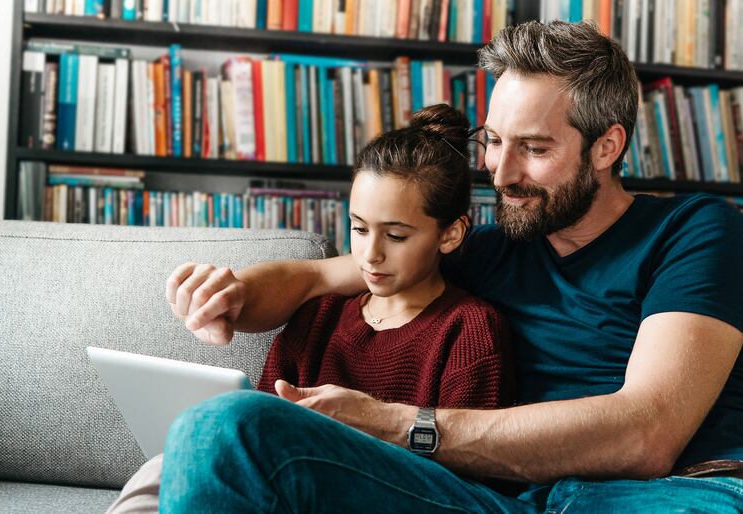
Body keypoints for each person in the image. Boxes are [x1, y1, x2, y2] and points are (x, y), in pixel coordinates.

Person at [157, 20, 743, 513]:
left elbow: (647, 434)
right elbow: (318, 275)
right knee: (224, 430)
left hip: (676, 492)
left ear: (607, 147)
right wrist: (230, 291)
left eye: (534, 149)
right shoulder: (485, 249)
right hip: (511, 501)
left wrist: (394, 423)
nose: (500, 172)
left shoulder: (694, 231)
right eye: (492, 140)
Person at [106, 104, 515, 513]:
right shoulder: (319, 316)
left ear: (451, 234)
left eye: (395, 235)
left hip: (378, 497)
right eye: (359, 228)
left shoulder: (470, 329)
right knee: (165, 469)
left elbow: (459, 481)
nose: (370, 254)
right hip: (283, 495)